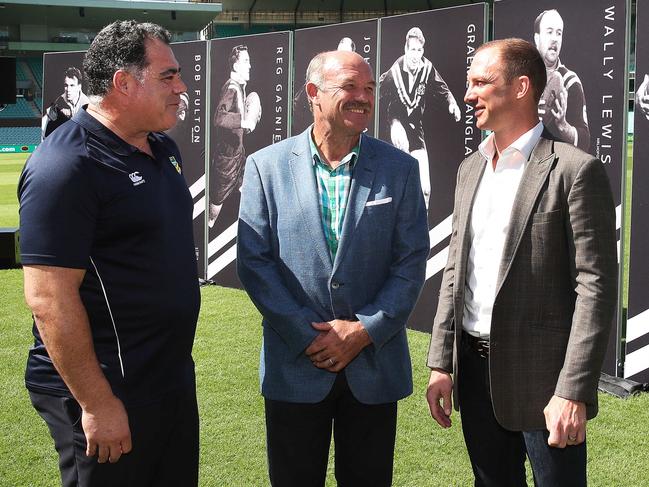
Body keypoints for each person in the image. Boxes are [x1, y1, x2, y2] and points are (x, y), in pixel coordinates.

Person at [426, 38, 617, 486]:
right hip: (474, 372)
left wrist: (573, 390)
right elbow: (456, 269)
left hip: (546, 381)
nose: (468, 94)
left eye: (480, 82)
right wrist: (441, 361)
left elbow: (595, 287)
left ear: (521, 87)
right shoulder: (469, 168)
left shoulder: (574, 170)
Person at [19, 21, 201, 487]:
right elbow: (49, 299)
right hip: (107, 389)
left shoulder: (163, 149)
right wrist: (97, 402)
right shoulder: (67, 165)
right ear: (123, 82)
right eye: (168, 76)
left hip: (169, 379)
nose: (182, 87)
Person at [237, 50, 429, 486]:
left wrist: (363, 331)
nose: (363, 97)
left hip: (373, 365)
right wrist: (307, 337)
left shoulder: (400, 169)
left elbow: (411, 260)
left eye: (369, 88)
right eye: (349, 87)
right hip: (295, 364)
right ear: (313, 94)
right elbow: (255, 263)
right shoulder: (265, 167)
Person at [379, 27, 461, 209]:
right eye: (412, 50)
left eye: (419, 50)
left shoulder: (427, 68)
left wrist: (452, 104)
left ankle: (421, 230)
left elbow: (442, 88)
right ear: (405, 50)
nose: (415, 55)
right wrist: (392, 124)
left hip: (416, 129)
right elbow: (378, 95)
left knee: (425, 188)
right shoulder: (394, 73)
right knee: (402, 182)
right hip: (396, 123)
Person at [208, 45, 261, 228]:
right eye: (246, 61)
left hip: (238, 155)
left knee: (249, 189)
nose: (250, 66)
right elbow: (219, 117)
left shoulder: (240, 87)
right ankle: (206, 228)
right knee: (216, 203)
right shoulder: (231, 88)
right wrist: (243, 122)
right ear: (236, 66)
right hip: (227, 159)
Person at [534, 9, 591, 152]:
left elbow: (584, 140)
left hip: (554, 166)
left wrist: (562, 124)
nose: (554, 38)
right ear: (537, 38)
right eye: (549, 32)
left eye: (559, 33)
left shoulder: (570, 81)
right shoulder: (522, 76)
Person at [41, 66, 91, 138]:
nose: (68, 89)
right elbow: (47, 117)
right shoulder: (61, 99)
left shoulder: (86, 104)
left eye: (72, 85)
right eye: (66, 85)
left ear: (79, 87)